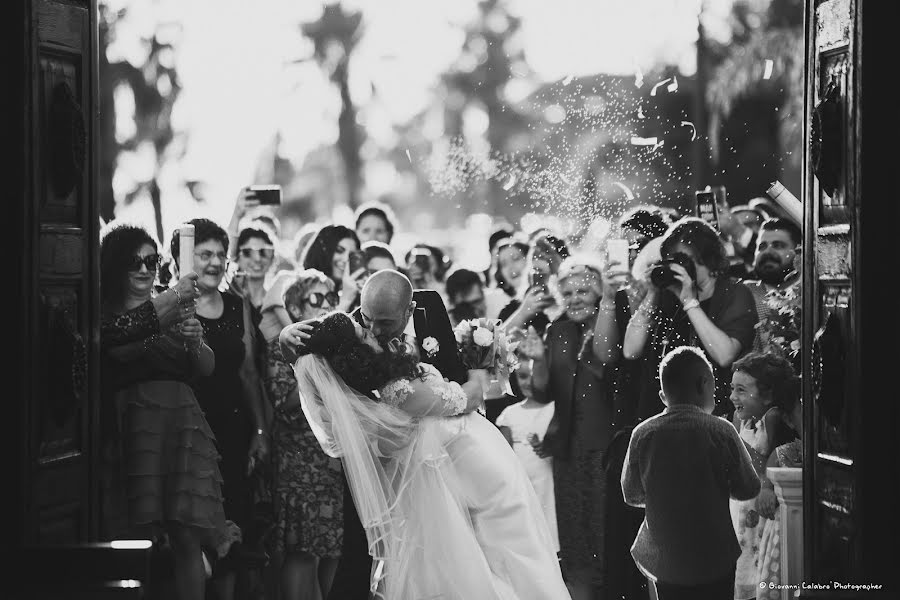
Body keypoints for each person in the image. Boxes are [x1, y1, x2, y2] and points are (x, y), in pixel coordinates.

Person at [294, 311, 572, 599]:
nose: (371, 330)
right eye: (363, 333)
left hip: (479, 470)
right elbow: (469, 397)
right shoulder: (398, 393)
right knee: (514, 552)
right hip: (484, 478)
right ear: (355, 354)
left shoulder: (382, 388)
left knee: (507, 555)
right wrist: (480, 364)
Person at [279, 270, 468, 600]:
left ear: (409, 311)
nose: (374, 330)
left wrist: (448, 390)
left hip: (436, 452)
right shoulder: (350, 332)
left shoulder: (430, 307)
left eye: (385, 322)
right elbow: (310, 365)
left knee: (441, 545)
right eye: (368, 319)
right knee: (360, 555)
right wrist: (285, 339)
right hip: (376, 461)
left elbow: (453, 367)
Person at [99, 224, 238, 600]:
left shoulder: (175, 303)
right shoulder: (107, 312)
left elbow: (205, 366)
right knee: (136, 533)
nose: (145, 269)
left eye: (151, 260)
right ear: (115, 266)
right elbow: (117, 350)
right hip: (136, 423)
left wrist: (195, 343)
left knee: (186, 534)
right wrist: (161, 323)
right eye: (134, 261)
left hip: (181, 425)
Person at [170, 219, 270, 600]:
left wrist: (260, 432)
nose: (214, 263)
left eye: (220, 256)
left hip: (234, 429)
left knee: (234, 531)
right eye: (204, 254)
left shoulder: (237, 305)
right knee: (192, 532)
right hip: (189, 430)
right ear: (184, 258)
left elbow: (248, 373)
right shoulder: (171, 303)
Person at [621, 346, 760, 600]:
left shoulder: (643, 433)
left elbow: (631, 494)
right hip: (715, 561)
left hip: (667, 563)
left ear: (664, 396)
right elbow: (749, 488)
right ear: (704, 384)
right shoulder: (722, 430)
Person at [520, 256, 616, 600]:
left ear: (600, 292)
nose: (575, 298)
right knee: (575, 537)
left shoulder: (612, 321)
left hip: (606, 448)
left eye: (584, 291)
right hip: (568, 450)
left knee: (605, 532)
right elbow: (543, 391)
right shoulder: (557, 329)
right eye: (569, 292)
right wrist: (538, 360)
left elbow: (607, 361)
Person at [623, 217, 758, 419]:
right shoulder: (667, 294)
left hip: (713, 414)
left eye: (684, 260)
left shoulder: (735, 293)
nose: (679, 268)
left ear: (709, 259)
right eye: (672, 260)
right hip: (662, 412)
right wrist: (651, 294)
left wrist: (689, 301)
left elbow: (725, 355)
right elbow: (630, 350)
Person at [263, 270, 342, 600]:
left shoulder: (341, 348)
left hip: (334, 466)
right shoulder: (280, 347)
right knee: (302, 552)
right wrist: (319, 371)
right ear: (294, 308)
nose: (324, 305)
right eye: (315, 299)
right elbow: (285, 402)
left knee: (333, 551)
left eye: (330, 299)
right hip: (300, 465)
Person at [727, 353, 799, 600]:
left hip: (761, 510)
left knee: (757, 567)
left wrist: (766, 486)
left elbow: (775, 457)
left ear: (768, 395)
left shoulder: (773, 417)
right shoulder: (741, 419)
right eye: (732, 389)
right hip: (741, 505)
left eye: (741, 390)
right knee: (742, 562)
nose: (732, 397)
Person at [495, 359, 559, 555]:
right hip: (522, 478)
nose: (528, 382)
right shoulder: (510, 413)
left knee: (550, 517)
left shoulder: (555, 409)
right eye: (522, 376)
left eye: (534, 376)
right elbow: (504, 455)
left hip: (549, 478)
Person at [741, 219, 802, 368]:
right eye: (762, 247)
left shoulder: (811, 295)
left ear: (799, 251)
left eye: (778, 245)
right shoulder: (743, 294)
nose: (768, 252)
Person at [500, 234, 570, 336]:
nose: (539, 277)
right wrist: (523, 313)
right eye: (535, 271)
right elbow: (494, 346)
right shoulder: (515, 308)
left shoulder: (575, 302)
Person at [302, 225, 364, 312]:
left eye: (351, 255)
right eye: (339, 250)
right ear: (322, 251)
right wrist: (346, 299)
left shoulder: (344, 295)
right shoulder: (292, 285)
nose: (346, 259)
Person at [230, 226, 277, 326]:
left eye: (264, 252)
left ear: (272, 257)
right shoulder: (228, 299)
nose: (257, 259)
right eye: (248, 252)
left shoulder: (278, 302)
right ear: (236, 257)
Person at [486, 238, 529, 318]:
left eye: (516, 259)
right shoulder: (506, 314)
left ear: (529, 258)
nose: (511, 267)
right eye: (504, 264)